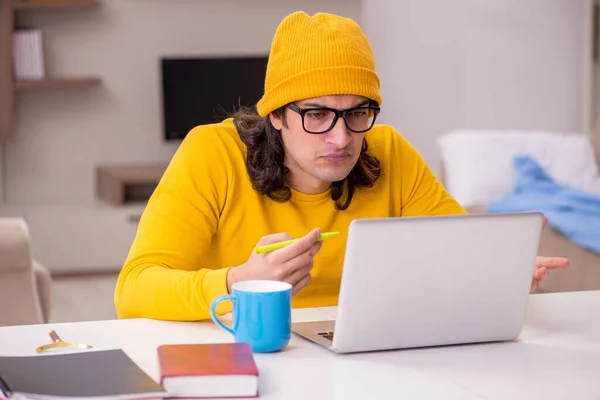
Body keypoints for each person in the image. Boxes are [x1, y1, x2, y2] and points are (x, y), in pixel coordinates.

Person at [114, 11, 568, 321]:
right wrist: (237, 283)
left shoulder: (387, 148)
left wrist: (498, 270)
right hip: (247, 352)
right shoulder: (211, 151)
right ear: (275, 115)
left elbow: (457, 250)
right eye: (316, 114)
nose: (342, 137)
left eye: (357, 112)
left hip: (370, 352)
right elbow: (134, 290)